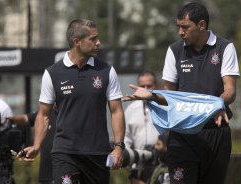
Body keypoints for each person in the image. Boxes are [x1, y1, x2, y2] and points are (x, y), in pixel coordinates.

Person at [123, 2, 240, 184]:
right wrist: (152, 96)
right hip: (181, 134)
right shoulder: (175, 50)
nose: (180, 32)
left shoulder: (225, 47)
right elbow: (169, 96)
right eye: (178, 27)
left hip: (215, 132)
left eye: (185, 27)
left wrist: (219, 104)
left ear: (201, 25)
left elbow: (230, 90)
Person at [17, 19, 126, 184]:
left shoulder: (107, 71)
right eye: (93, 39)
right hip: (65, 152)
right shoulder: (52, 73)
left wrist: (118, 147)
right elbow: (44, 115)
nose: (99, 43)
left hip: (97, 153)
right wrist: (36, 145)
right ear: (77, 42)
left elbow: (116, 111)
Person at [124, 71, 160, 184]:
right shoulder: (131, 109)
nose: (145, 89)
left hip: (161, 163)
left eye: (149, 86)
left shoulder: (165, 107)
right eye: (142, 86)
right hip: (138, 165)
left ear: (156, 85)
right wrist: (125, 158)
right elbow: (126, 138)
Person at [12, 108, 57, 184]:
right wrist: (8, 117)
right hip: (46, 172)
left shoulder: (69, 114)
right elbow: (25, 118)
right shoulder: (45, 113)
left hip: (64, 170)